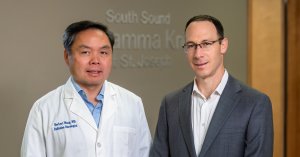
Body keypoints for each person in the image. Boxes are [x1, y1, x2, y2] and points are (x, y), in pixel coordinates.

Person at [21, 20, 151, 157]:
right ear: (67, 56)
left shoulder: (133, 103)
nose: (96, 60)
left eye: (103, 52)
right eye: (86, 52)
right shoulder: (43, 109)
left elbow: (145, 153)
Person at [150, 15, 273, 157]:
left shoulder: (255, 103)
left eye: (206, 43)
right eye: (191, 45)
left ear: (223, 45)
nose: (198, 54)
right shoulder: (170, 104)